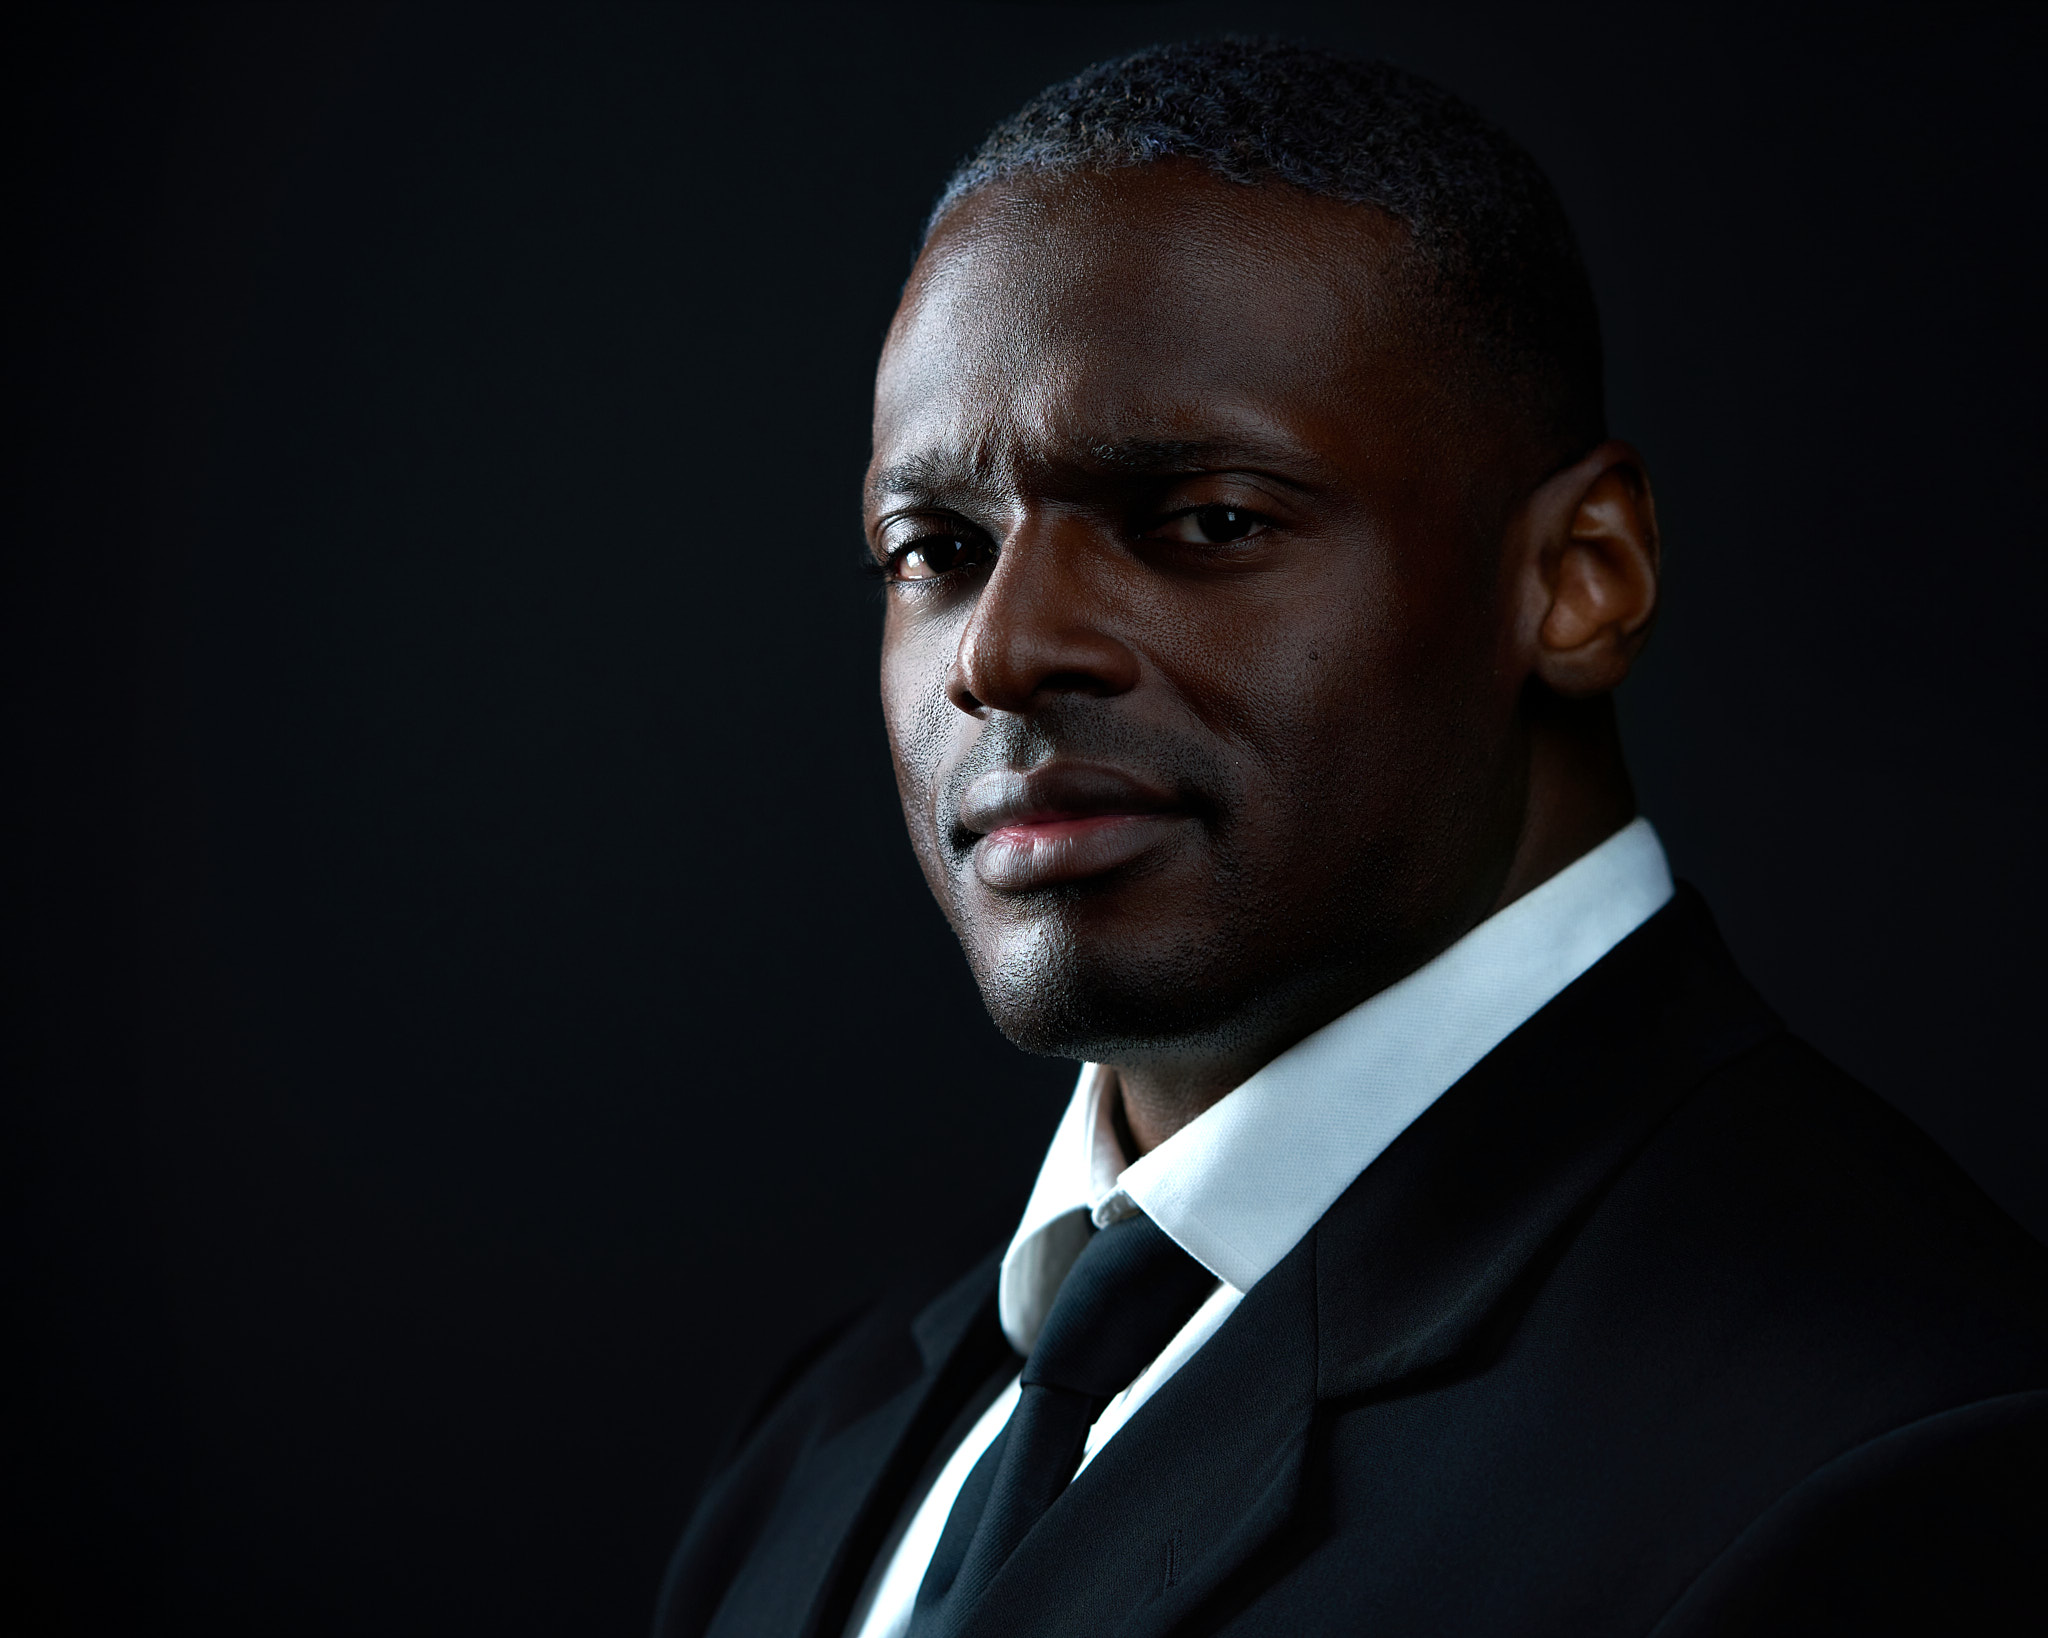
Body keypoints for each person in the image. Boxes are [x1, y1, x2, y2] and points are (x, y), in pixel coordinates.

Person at [654, 39, 2048, 1638]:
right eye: (936, 548)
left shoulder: (1911, 1459)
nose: (1002, 650)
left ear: (1582, 575)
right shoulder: (821, 1448)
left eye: (1208, 521)